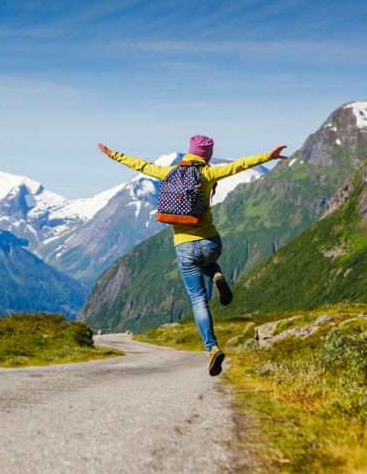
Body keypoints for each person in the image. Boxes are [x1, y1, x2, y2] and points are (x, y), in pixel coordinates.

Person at [98, 136, 288, 376]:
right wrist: (268, 156)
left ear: (190, 152)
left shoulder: (168, 172)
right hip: (211, 244)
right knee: (209, 261)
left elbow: (141, 165)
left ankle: (212, 349)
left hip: (184, 248)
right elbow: (240, 165)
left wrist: (113, 154)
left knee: (199, 300)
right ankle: (216, 273)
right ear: (206, 155)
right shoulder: (208, 174)